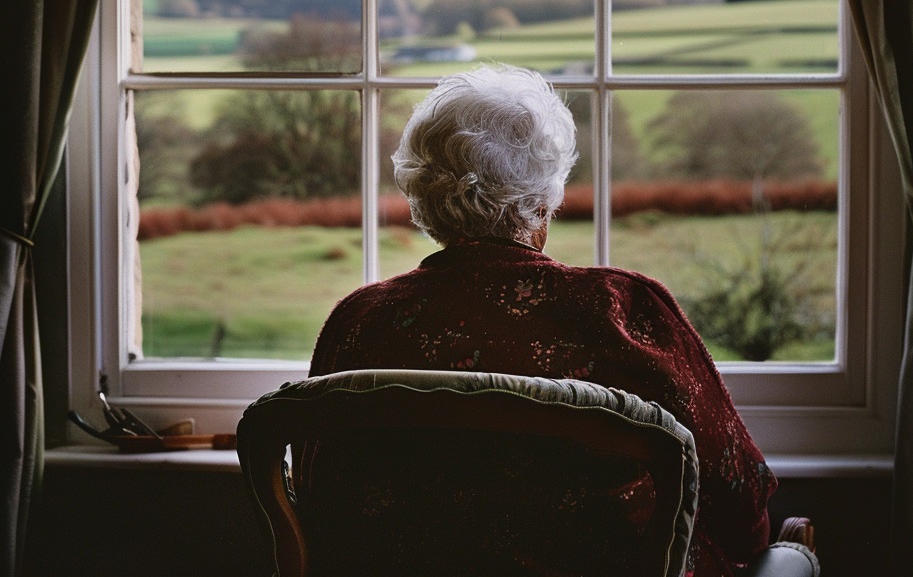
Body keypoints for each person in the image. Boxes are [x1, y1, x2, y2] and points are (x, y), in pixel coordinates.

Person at [305, 64, 776, 576]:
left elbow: (320, 500)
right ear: (544, 197)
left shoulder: (360, 323)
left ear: (422, 193)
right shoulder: (622, 313)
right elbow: (742, 508)